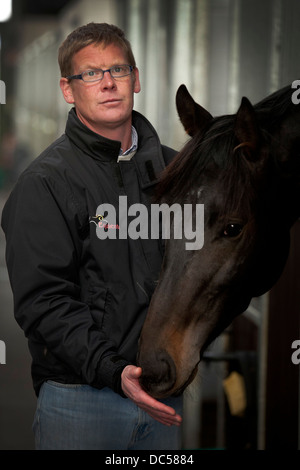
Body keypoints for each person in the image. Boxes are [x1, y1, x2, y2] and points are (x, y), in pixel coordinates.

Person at [1, 23, 183, 450]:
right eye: (90, 74)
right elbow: (43, 302)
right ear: (68, 89)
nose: (107, 83)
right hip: (82, 398)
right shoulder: (44, 184)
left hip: (162, 395)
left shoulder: (175, 175)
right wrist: (113, 371)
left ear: (135, 79)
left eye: (118, 70)